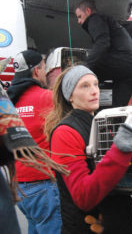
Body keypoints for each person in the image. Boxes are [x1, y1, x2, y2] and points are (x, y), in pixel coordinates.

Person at [45, 64, 132, 234]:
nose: (95, 91)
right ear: (70, 96)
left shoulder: (101, 122)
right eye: (85, 86)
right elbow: (83, 196)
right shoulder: (65, 132)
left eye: (96, 84)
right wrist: (121, 149)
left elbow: (120, 170)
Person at [0, 58, 68, 234]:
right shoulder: (47, 97)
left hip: (19, 187)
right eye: (45, 68)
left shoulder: (11, 99)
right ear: (36, 71)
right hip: (43, 183)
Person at [75, 0, 132, 107]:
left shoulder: (94, 19)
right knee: (118, 107)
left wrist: (84, 66)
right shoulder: (109, 22)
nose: (78, 21)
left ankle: (84, 108)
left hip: (123, 63)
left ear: (88, 11)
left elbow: (102, 43)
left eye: (79, 16)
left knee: (83, 74)